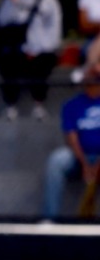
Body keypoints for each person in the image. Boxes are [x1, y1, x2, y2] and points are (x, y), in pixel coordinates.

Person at [0, 0, 64, 119]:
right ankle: (10, 106)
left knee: (41, 65)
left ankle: (38, 106)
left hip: (43, 50)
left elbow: (54, 28)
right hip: (18, 49)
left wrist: (39, 49)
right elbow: (1, 21)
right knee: (9, 63)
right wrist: (12, 0)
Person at [42, 71, 100, 221]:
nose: (91, 83)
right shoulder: (72, 104)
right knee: (57, 160)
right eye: (89, 80)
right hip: (80, 157)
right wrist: (85, 164)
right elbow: (71, 138)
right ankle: (50, 218)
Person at [77, 0, 100, 82]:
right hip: (91, 40)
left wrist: (95, 24)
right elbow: (84, 26)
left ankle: (87, 69)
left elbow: (89, 24)